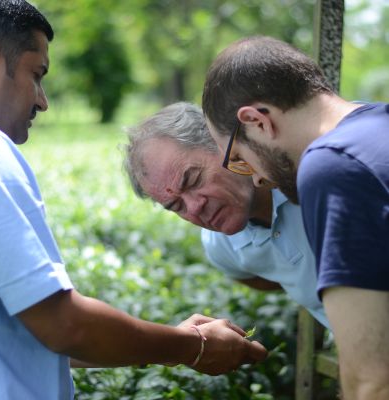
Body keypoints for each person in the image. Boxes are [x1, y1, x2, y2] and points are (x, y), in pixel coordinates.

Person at [0, 2, 267, 399]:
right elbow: (63, 325)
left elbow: (18, 327)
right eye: (36, 75)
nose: (42, 100)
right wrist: (195, 348)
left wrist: (170, 341)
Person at [202, 35, 389, 400]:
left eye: (239, 157)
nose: (256, 177)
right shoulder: (379, 124)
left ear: (256, 121)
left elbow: (374, 381)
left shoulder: (332, 166)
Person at [124, 102, 329, 329]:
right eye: (176, 205)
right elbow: (265, 281)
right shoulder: (221, 247)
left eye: (192, 180)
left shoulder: (316, 165)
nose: (194, 208)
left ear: (223, 144)